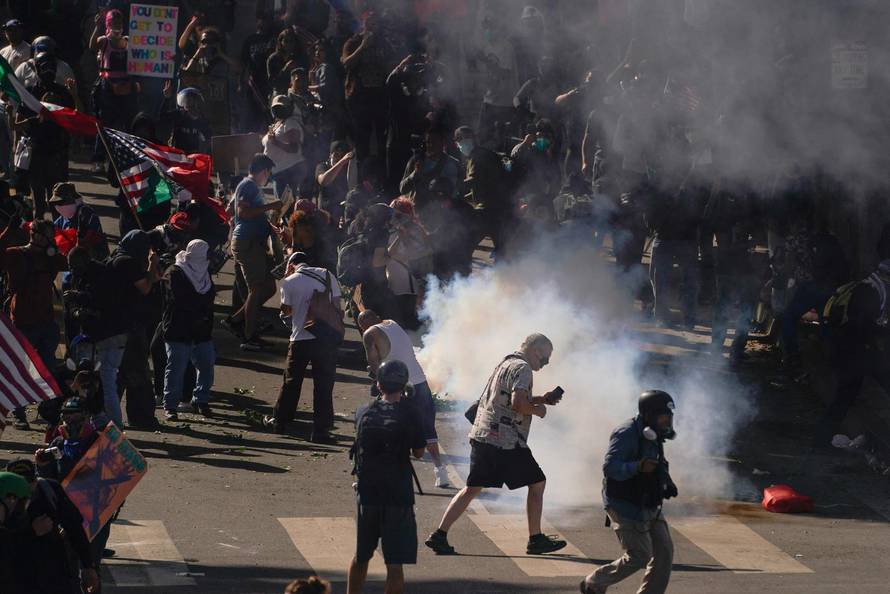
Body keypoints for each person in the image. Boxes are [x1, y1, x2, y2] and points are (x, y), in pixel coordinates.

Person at [425, 334, 568, 556]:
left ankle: (439, 535)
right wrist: (538, 410)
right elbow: (518, 403)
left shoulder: (506, 362)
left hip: (484, 436)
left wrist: (540, 398)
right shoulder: (524, 369)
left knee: (472, 488)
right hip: (505, 441)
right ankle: (535, 539)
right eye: (546, 358)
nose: (545, 363)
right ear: (536, 351)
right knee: (538, 483)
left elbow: (502, 398)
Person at [581, 390, 678, 594]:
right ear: (649, 414)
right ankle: (594, 582)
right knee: (640, 555)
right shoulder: (626, 433)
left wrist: (666, 480)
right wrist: (637, 467)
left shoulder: (654, 433)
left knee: (664, 552)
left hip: (649, 502)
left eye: (668, 417)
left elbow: (657, 460)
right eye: (662, 417)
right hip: (624, 504)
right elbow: (610, 468)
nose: (666, 422)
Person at [347, 360, 426, 594]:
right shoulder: (412, 413)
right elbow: (419, 452)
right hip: (397, 496)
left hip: (368, 493)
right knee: (394, 564)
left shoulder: (363, 411)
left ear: (378, 385)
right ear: (403, 385)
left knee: (361, 557)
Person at [816, 224, 890, 446]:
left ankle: (820, 441)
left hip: (856, 350)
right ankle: (820, 441)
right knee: (845, 396)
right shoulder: (877, 287)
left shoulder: (874, 282)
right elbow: (864, 324)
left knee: (844, 397)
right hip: (863, 351)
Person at [357, 309, 449, 487]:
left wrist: (378, 377)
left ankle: (369, 475)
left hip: (396, 386)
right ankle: (441, 472)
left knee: (382, 428)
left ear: (363, 325)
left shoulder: (369, 334)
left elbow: (374, 364)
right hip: (420, 381)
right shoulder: (392, 322)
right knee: (428, 429)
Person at [264, 251, 342, 442]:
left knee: (291, 382)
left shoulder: (289, 282)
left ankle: (280, 422)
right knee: (323, 385)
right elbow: (338, 306)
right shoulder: (326, 275)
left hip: (300, 338)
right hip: (325, 340)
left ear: (291, 265)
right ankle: (321, 430)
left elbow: (286, 312)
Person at [0, 219, 67, 429]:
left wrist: (58, 249)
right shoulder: (17, 255)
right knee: (20, 369)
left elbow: (67, 263)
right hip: (23, 321)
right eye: (43, 234)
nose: (45, 238)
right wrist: (7, 232)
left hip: (47, 322)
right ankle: (19, 413)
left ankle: (48, 413)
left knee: (47, 368)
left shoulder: (50, 258)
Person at [5, 458, 100, 594]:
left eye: (29, 483)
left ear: (36, 480)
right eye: (18, 485)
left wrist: (88, 566)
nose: (25, 490)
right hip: (18, 576)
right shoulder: (4, 503)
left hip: (54, 572)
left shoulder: (49, 490)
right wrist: (32, 532)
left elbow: (74, 527)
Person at [227, 153, 282, 351]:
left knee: (268, 288)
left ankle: (237, 320)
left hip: (253, 241)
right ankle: (249, 336)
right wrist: (272, 206)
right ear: (263, 171)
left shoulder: (250, 186)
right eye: (268, 173)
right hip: (247, 241)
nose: (268, 177)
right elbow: (243, 213)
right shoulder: (249, 185)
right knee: (257, 289)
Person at [162, 239, 216, 421]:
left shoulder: (204, 274)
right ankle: (170, 405)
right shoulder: (175, 273)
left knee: (206, 364)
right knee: (176, 368)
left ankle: (201, 400)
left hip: (201, 331)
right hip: (180, 329)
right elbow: (179, 300)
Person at [88, 9, 138, 174]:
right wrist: (97, 26)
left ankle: (124, 159)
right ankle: (98, 159)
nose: (117, 25)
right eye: (113, 23)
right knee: (105, 123)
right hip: (107, 86)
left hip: (127, 85)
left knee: (126, 124)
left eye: (119, 22)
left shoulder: (130, 41)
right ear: (109, 24)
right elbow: (92, 46)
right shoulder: (104, 41)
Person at [454, 126, 510, 252]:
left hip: (488, 209)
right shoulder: (485, 153)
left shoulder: (476, 156)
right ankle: (507, 270)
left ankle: (461, 270)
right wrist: (464, 197)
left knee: (466, 244)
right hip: (501, 207)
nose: (463, 143)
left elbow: (474, 180)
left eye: (464, 138)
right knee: (502, 250)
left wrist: (455, 187)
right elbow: (483, 183)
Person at [398, 126, 460, 226]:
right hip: (418, 215)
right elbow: (403, 189)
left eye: (434, 141)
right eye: (428, 142)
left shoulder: (453, 164)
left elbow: (457, 191)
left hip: (443, 217)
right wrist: (415, 173)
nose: (430, 145)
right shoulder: (416, 161)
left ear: (443, 143)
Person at [264, 94, 306, 201]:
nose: (278, 110)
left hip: (287, 172)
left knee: (285, 209)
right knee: (283, 209)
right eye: (276, 108)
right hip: (279, 172)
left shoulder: (291, 123)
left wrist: (275, 142)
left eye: (281, 108)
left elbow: (294, 148)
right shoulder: (279, 123)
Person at [50, 182, 108, 260]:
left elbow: (94, 238)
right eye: (55, 203)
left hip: (90, 258)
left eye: (60, 202)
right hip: (71, 259)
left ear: (71, 198)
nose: (57, 206)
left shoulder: (86, 213)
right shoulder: (64, 216)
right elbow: (52, 228)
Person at [162, 83, 212, 155]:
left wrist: (206, 154)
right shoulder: (179, 114)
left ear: (197, 103)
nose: (189, 104)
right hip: (177, 153)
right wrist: (166, 99)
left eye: (192, 101)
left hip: (193, 154)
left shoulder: (202, 120)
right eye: (187, 100)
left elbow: (209, 138)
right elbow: (163, 117)